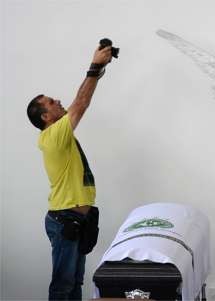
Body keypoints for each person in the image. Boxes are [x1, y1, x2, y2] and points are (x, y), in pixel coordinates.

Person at [26, 43, 113, 300]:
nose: (58, 101)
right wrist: (95, 66)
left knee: (75, 284)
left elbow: (80, 102)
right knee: (63, 285)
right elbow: (81, 103)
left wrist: (99, 69)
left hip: (77, 221)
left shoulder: (58, 135)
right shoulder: (53, 136)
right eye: (51, 102)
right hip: (65, 220)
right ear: (45, 117)